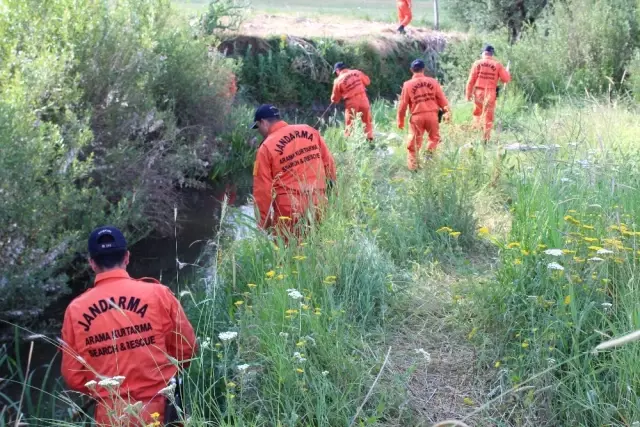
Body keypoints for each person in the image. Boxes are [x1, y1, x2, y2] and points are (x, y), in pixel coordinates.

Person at [61, 226, 197, 426]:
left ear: (92, 263)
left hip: (111, 415)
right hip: (162, 410)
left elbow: (73, 377)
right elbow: (187, 350)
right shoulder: (158, 294)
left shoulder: (75, 309)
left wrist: (105, 391)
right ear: (126, 257)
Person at [251, 104, 337, 235]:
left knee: (287, 252)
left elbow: (262, 191)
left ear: (262, 122)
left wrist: (264, 224)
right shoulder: (309, 130)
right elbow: (329, 164)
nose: (259, 132)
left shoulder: (266, 147)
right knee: (317, 248)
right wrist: (332, 197)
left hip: (289, 210)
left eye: (258, 127)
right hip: (319, 202)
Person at [397, 59, 450, 171]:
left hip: (417, 117)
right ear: (423, 69)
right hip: (432, 116)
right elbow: (442, 100)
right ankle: (428, 155)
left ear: (411, 70)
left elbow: (403, 105)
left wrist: (400, 121)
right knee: (434, 138)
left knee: (413, 145)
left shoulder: (407, 84)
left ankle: (414, 169)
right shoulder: (433, 81)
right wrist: (447, 113)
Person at [465, 44, 511, 142]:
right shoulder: (497, 64)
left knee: (477, 113)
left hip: (478, 93)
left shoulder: (477, 63)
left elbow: (470, 81)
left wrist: (468, 95)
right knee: (488, 117)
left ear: (483, 53)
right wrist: (507, 73)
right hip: (490, 93)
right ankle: (485, 140)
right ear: (492, 54)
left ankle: (475, 136)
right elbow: (506, 79)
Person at [330, 62, 374, 143]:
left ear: (337, 70)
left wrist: (333, 99)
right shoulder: (357, 72)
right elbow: (367, 82)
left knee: (350, 124)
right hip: (364, 100)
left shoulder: (338, 80)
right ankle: (369, 141)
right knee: (367, 121)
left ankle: (350, 143)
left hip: (351, 102)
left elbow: (335, 98)